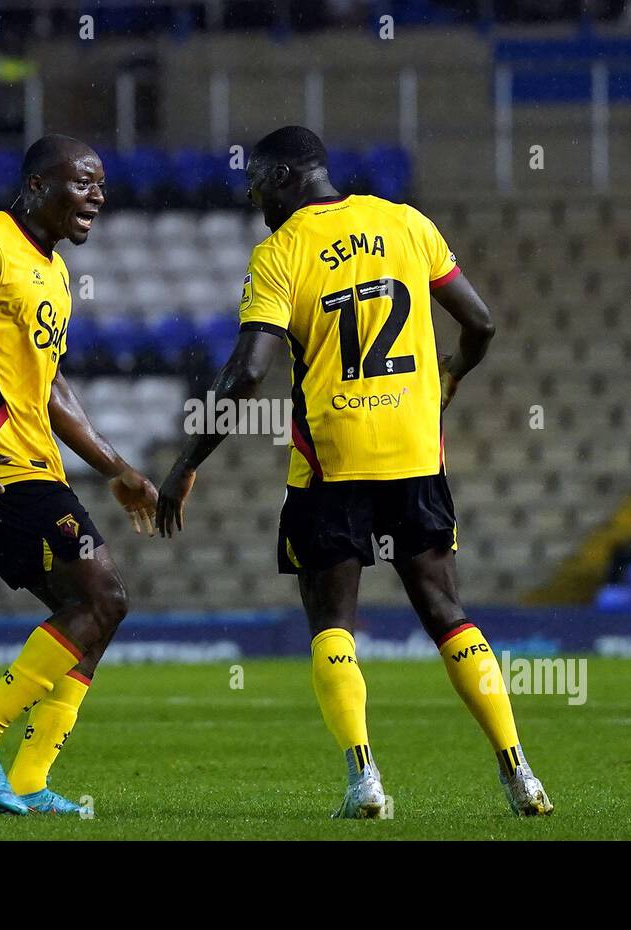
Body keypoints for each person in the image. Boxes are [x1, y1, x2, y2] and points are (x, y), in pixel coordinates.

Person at [155, 126, 552, 818]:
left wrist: (188, 462)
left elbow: (249, 372)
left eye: (255, 181)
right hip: (414, 455)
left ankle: (365, 780)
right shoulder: (405, 222)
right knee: (445, 610)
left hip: (331, 463)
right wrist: (450, 374)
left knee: (333, 621)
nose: (251, 196)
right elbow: (482, 324)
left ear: (284, 177)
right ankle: (518, 772)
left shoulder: (281, 252)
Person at [0, 134, 159, 815]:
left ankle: (27, 779)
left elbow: (52, 392)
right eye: (83, 182)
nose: (97, 197)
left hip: (36, 465)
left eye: (101, 184)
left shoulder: (54, 274)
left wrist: (117, 468)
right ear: (38, 186)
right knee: (103, 598)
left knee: (94, 614)